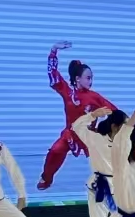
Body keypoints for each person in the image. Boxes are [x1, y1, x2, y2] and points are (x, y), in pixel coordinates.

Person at [37, 41, 117, 191]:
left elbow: (114, 111)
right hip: (71, 134)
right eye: (88, 78)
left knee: (105, 158)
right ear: (77, 78)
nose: (91, 81)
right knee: (55, 151)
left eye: (91, 78)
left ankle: (112, 183)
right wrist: (53, 50)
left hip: (90, 136)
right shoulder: (67, 92)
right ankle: (46, 178)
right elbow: (53, 73)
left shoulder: (94, 97)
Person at [71, 107, 128, 217]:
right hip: (99, 187)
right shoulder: (96, 139)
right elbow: (76, 126)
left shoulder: (128, 142)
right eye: (123, 127)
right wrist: (93, 115)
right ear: (114, 126)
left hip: (121, 186)